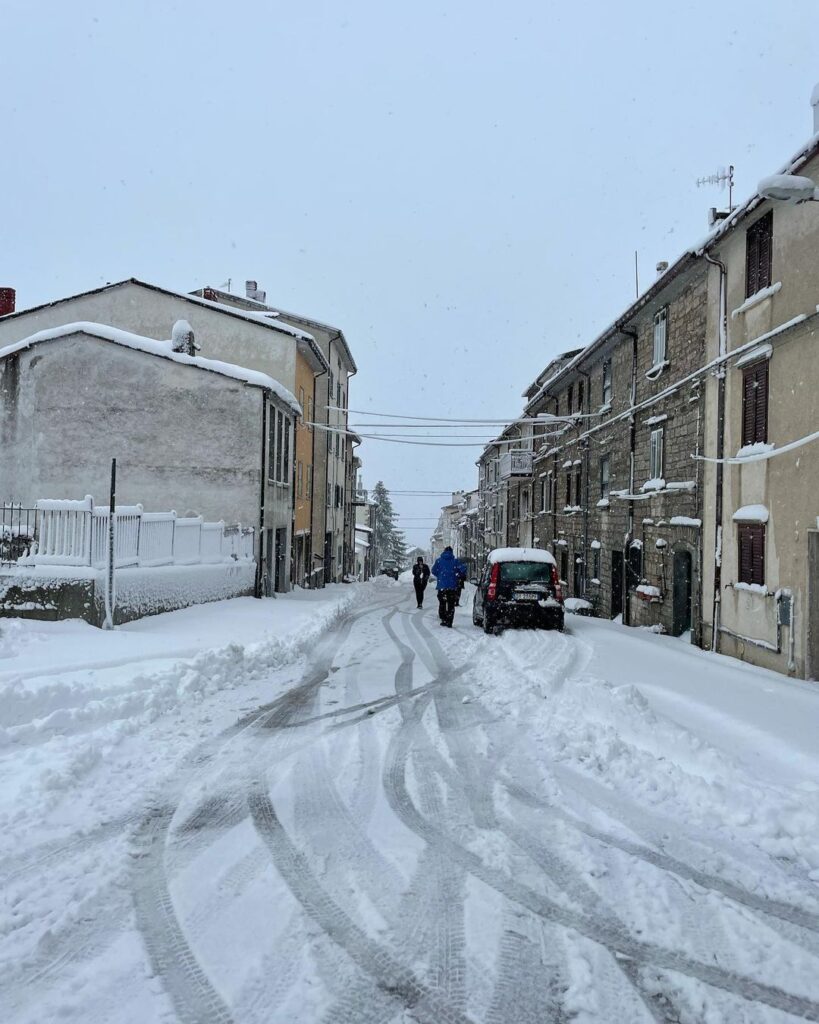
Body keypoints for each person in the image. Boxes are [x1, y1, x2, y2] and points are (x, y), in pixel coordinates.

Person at [431, 546, 467, 627]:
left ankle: (443, 619)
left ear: (444, 551)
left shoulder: (439, 561)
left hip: (442, 586)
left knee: (442, 603)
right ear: (451, 552)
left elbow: (433, 571)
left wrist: (440, 576)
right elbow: (463, 569)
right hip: (452, 586)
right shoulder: (455, 561)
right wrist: (457, 576)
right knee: (451, 604)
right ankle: (449, 621)